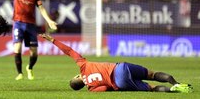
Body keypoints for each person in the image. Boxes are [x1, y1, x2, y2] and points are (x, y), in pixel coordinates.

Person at [39, 33, 193, 93]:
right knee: (151, 74)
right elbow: (69, 51)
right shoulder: (83, 65)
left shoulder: (91, 89)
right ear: (77, 77)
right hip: (120, 67)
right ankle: (176, 83)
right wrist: (53, 40)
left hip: (119, 81)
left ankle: (175, 92)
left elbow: (106, 88)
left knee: (151, 89)